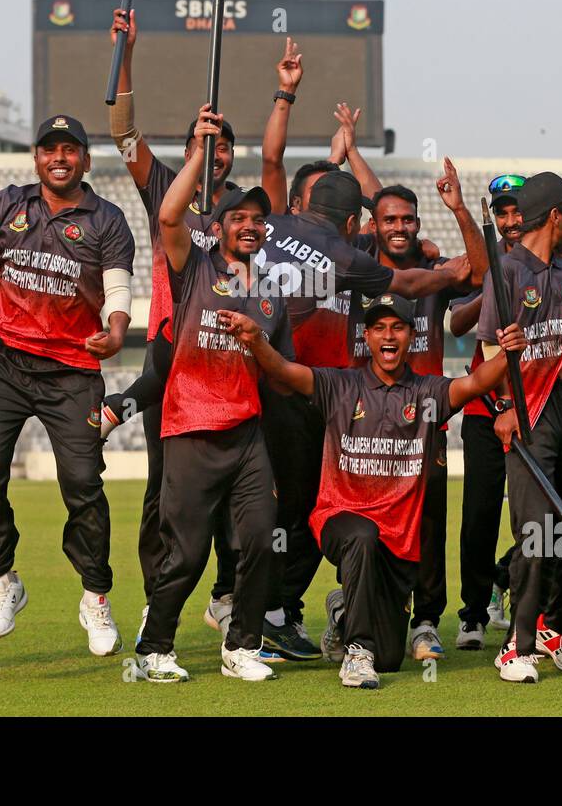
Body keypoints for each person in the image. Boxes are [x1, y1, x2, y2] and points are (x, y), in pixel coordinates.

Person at [252, 96, 474, 661]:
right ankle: (275, 611)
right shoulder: (351, 258)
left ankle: (250, 605)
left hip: (248, 380)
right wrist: (449, 270)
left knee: (259, 504)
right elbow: (411, 284)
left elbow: (273, 158)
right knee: (310, 509)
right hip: (311, 395)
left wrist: (288, 100)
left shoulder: (272, 223)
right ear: (357, 226)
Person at [0, 114, 135, 656]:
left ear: (84, 158)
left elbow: (118, 287)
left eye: (70, 150)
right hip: (4, 365)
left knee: (83, 485)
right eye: (49, 149)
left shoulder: (107, 218)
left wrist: (117, 330)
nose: (59, 158)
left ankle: (96, 597)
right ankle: (2, 580)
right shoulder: (10, 202)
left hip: (72, 373)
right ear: (36, 158)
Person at [222, 294, 526, 688]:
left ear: (410, 336)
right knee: (361, 538)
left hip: (397, 539)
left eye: (397, 327)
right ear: (367, 337)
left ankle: (344, 616)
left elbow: (476, 382)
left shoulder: (427, 394)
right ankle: (356, 652)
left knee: (390, 659)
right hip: (339, 518)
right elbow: (283, 370)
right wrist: (256, 340)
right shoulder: (339, 384)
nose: (388, 335)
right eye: (379, 327)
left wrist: (508, 352)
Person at [132, 107, 286, 683]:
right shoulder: (191, 267)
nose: (249, 225)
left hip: (247, 432)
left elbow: (281, 373)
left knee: (260, 543)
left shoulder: (270, 294)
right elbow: (169, 213)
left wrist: (261, 347)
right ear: (218, 226)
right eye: (237, 217)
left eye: (257, 220)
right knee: (188, 553)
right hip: (192, 428)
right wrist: (199, 148)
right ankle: (154, 648)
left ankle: (240, 645)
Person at [103, 6, 241, 638]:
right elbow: (123, 131)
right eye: (202, 142)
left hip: (231, 369)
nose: (212, 153)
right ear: (188, 148)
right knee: (166, 495)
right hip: (173, 364)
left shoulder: (244, 210)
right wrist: (126, 53)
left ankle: (229, 596)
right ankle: (158, 603)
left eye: (221, 145)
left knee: (237, 498)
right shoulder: (164, 184)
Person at [347, 159, 487, 661]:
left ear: (419, 224)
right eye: (389, 220)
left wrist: (460, 210)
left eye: (408, 219)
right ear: (373, 226)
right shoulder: (354, 271)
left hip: (421, 418)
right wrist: (352, 160)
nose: (400, 228)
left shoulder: (433, 272)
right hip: (359, 424)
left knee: (429, 522)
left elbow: (480, 270)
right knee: (365, 524)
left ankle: (426, 621)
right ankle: (355, 604)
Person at [480, 172, 562, 684]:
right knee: (535, 531)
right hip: (529, 408)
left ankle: (553, 626)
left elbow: (556, 335)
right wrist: (503, 408)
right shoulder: (504, 270)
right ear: (555, 216)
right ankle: (517, 645)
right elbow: (489, 349)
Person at [451, 173, 524, 647]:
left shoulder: (552, 266)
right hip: (484, 410)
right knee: (478, 516)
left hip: (532, 411)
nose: (512, 221)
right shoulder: (488, 263)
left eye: (518, 212)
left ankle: (513, 585)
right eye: (503, 213)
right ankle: (473, 613)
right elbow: (456, 320)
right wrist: (491, 290)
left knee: (540, 517)